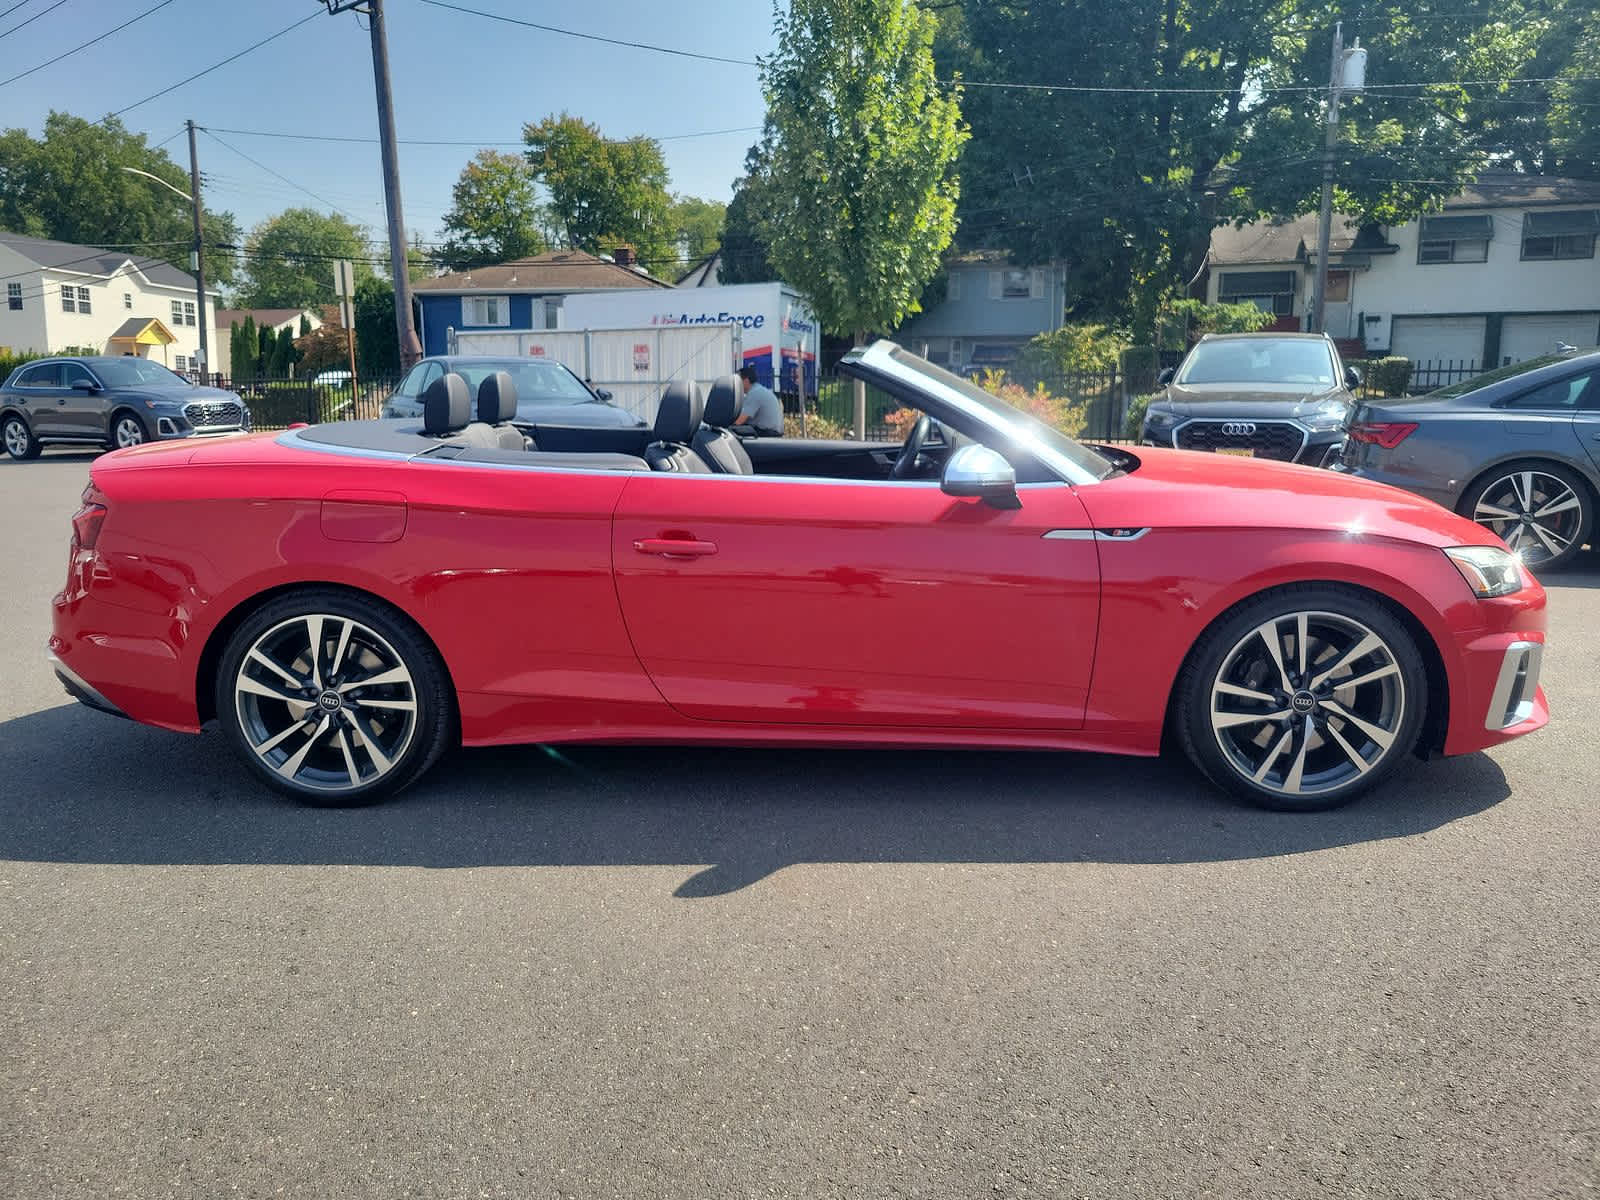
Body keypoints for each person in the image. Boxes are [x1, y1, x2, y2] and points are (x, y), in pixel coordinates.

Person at [733, 365, 783, 436]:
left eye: (737, 381)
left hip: (766, 433)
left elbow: (739, 421)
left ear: (746, 381)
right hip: (772, 431)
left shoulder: (754, 393)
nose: (735, 384)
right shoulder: (759, 390)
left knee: (732, 430)